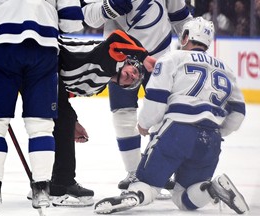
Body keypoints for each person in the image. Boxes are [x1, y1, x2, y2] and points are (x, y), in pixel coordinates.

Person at [94, 17, 249, 215]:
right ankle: (212, 189)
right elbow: (238, 112)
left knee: (147, 184)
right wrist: (219, 131)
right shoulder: (226, 69)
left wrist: (144, 123)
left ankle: (135, 195)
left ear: (185, 36)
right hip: (210, 140)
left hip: (177, 132)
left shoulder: (172, 58)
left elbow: (157, 100)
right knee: (184, 198)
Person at [0, 0, 84, 215]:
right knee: (41, 126)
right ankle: (42, 190)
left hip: (4, 48)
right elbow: (73, 23)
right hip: (45, 50)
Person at [27, 29, 156, 207]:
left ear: (124, 86)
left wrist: (73, 122)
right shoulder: (112, 58)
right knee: (61, 122)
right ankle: (61, 185)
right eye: (134, 70)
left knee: (57, 123)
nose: (132, 76)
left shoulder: (95, 88)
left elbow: (62, 99)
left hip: (46, 69)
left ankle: (43, 183)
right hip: (46, 51)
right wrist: (144, 57)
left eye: (133, 80)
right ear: (126, 63)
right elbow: (117, 36)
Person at [81, 0, 193, 196]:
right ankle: (133, 172)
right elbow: (88, 15)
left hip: (161, 58)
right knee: (123, 113)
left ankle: (157, 171)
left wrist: (193, 48)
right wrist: (108, 7)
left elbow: (180, 17)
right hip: (118, 56)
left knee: (163, 114)